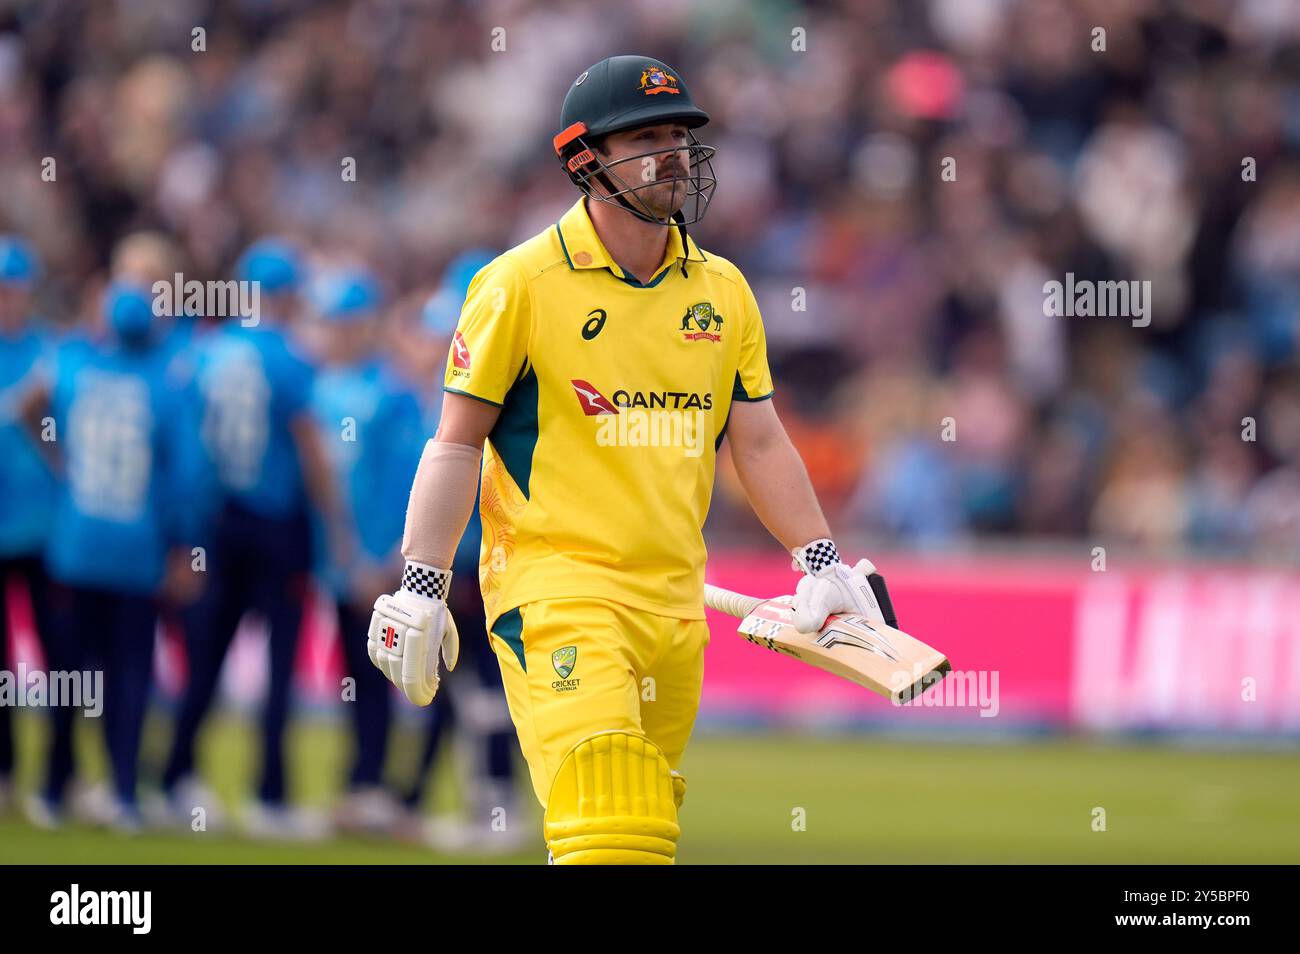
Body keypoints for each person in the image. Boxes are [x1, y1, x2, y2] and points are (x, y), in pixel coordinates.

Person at [366, 55, 896, 864]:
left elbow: (756, 439)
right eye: (646, 136)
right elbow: (456, 441)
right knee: (608, 820)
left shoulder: (723, 291)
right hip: (558, 593)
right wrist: (424, 582)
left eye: (680, 135)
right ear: (585, 159)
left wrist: (818, 560)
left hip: (676, 605)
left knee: (638, 831)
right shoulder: (520, 283)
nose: (674, 154)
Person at [160, 238, 343, 838]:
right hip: (275, 522)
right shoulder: (289, 359)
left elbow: (187, 449)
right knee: (279, 661)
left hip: (218, 521)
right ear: (285, 295)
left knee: (207, 655)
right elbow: (313, 452)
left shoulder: (206, 354)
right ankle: (270, 794)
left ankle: (175, 777)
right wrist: (338, 529)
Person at [22, 282, 202, 831]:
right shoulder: (166, 388)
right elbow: (187, 478)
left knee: (68, 676)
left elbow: (27, 406)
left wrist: (60, 463)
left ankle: (54, 788)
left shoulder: (75, 370)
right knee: (128, 677)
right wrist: (185, 547)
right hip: (134, 550)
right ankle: (123, 791)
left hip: (76, 546)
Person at [390, 254, 525, 853]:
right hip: (462, 564)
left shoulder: (478, 397)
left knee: (486, 691)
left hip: (477, 565)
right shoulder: (435, 397)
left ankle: (495, 805)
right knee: (471, 691)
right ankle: (485, 802)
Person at [304, 267, 422, 834]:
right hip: (336, 562)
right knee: (350, 674)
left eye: (345, 323)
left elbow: (407, 484)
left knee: (375, 674)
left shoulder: (390, 393)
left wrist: (386, 559)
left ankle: (372, 784)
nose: (337, 334)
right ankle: (360, 783)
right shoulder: (322, 387)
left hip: (376, 565)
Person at [0, 236, 57, 816]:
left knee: (59, 656)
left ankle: (55, 777)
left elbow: (66, 445)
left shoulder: (49, 354)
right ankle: (7, 772)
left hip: (43, 531)